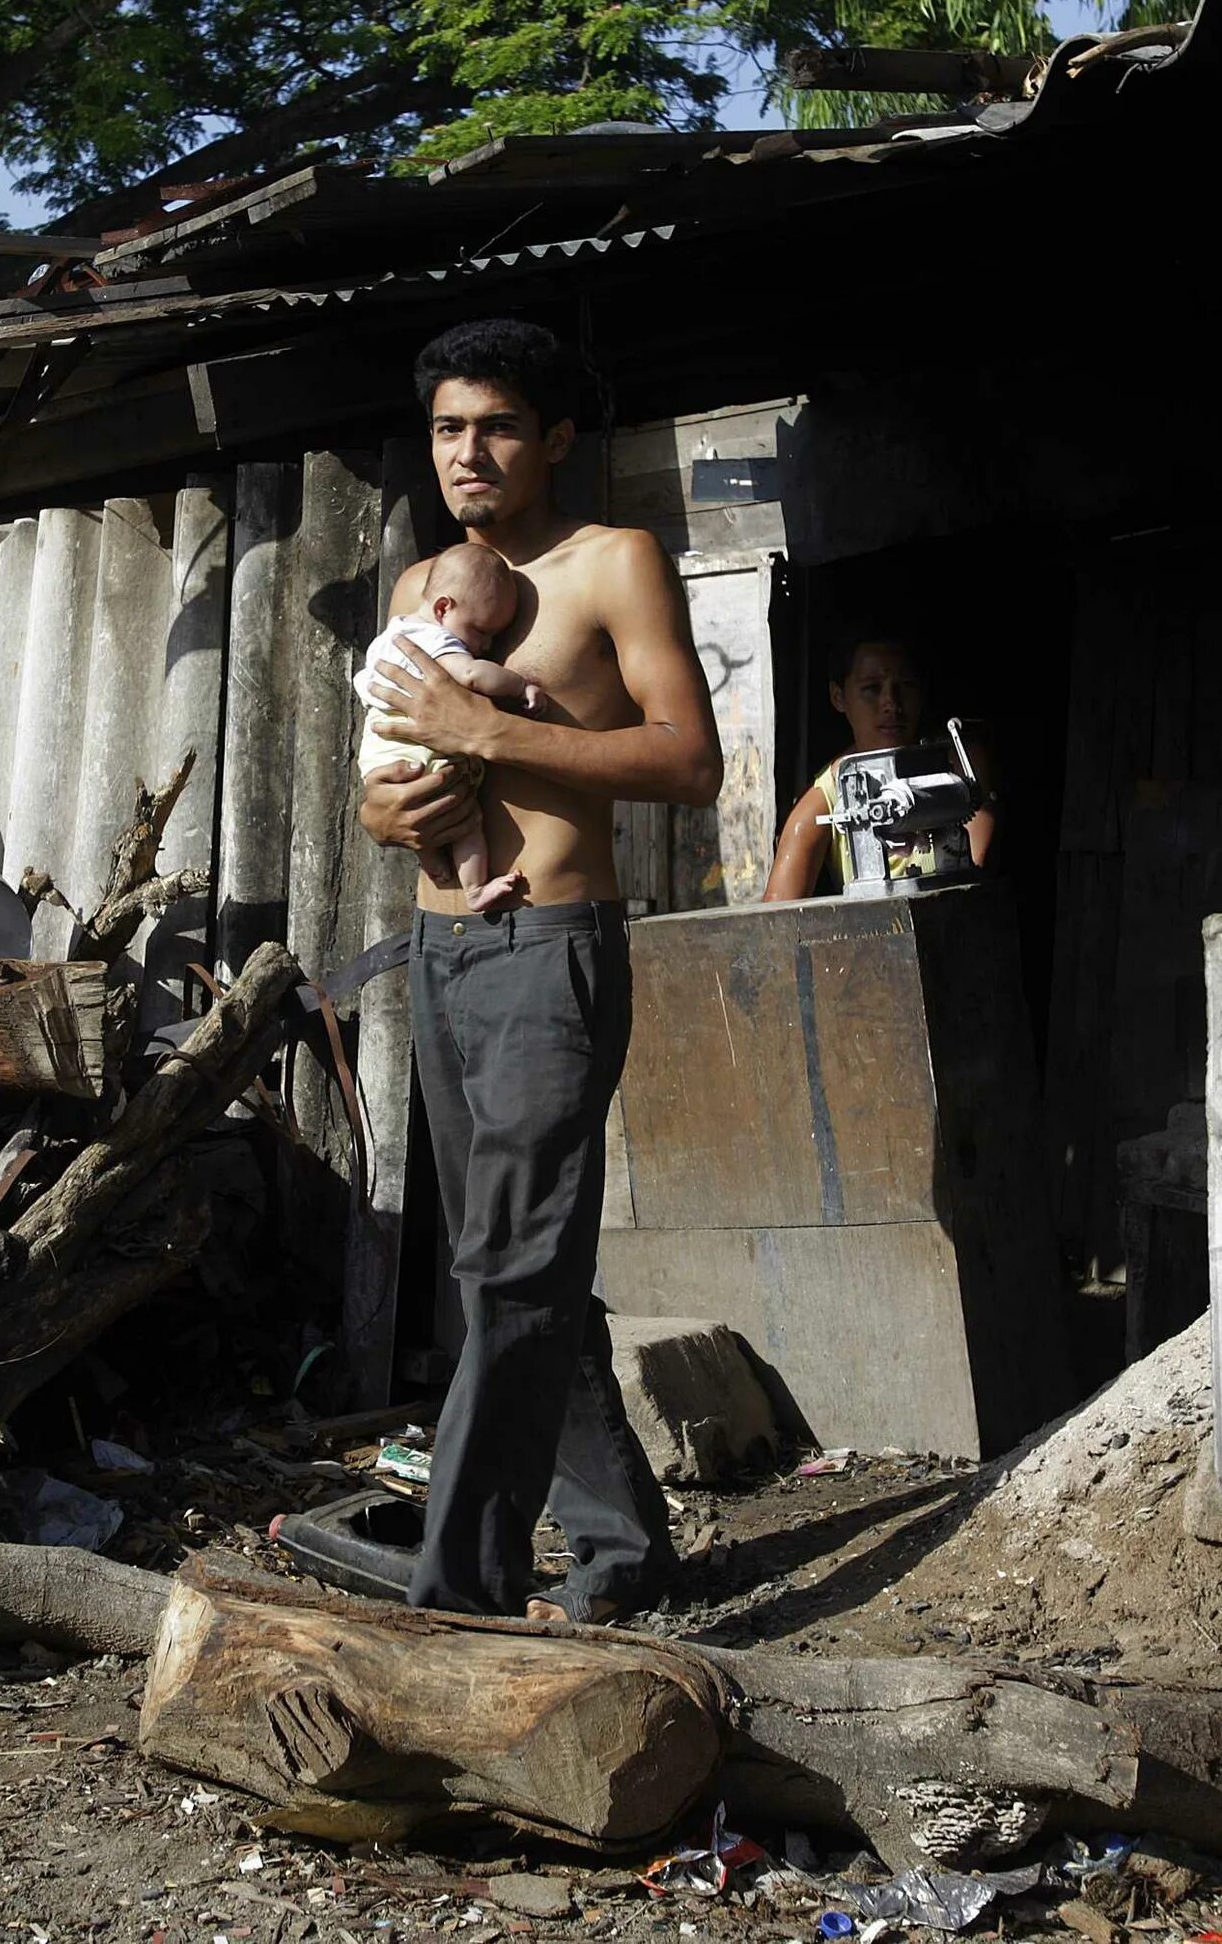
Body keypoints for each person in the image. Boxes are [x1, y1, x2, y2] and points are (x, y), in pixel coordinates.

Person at [356, 315, 723, 1625]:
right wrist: (387, 812)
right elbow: (384, 766)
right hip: (441, 949)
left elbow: (689, 760)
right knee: (514, 1269)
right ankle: (624, 1551)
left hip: (551, 951)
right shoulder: (420, 586)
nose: (469, 452)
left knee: (509, 1272)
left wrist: (489, 728)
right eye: (449, 428)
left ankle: (456, 1595)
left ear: (556, 438)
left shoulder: (613, 563)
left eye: (499, 427)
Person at [353, 545, 548, 913]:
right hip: (422, 751)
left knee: (422, 815)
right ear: (443, 608)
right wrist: (520, 686)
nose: (486, 645)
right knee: (465, 821)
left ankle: (432, 861)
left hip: (383, 755)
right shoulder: (434, 639)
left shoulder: (389, 637)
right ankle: (475, 889)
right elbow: (471, 674)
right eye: (481, 631)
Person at [761, 630, 997, 901]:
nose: (891, 703)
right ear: (838, 697)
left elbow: (977, 887)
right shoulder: (823, 801)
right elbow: (777, 914)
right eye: (872, 688)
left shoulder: (960, 767)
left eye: (905, 685)